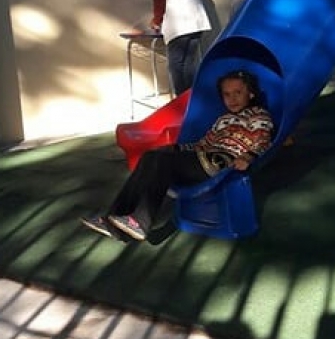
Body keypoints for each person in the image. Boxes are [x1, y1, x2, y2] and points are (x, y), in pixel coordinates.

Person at [81, 69, 273, 242]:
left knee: (163, 162)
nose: (232, 99)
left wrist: (248, 156)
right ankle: (116, 219)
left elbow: (264, 139)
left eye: (238, 93)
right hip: (201, 159)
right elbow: (203, 144)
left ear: (251, 93)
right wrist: (177, 148)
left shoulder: (258, 115)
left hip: (221, 163)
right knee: (151, 156)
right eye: (227, 94)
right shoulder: (223, 119)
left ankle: (141, 221)